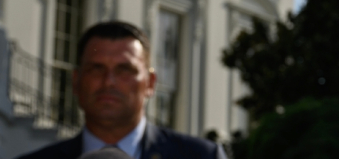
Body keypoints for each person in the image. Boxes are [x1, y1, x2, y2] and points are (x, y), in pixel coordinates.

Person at [17, 21, 227, 159]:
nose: (109, 82)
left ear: (150, 83)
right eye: (96, 69)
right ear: (76, 81)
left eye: (125, 70)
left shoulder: (202, 156)